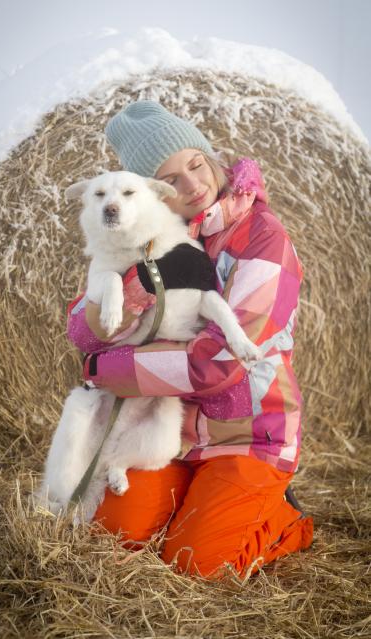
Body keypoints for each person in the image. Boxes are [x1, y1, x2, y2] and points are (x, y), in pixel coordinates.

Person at [66, 100, 314, 579]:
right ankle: (194, 511)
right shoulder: (150, 238)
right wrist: (133, 288)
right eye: (171, 180)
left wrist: (106, 371)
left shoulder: (264, 240)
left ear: (211, 158)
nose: (193, 185)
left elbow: (221, 363)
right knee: (112, 539)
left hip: (248, 437)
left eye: (196, 165)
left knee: (196, 563)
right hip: (172, 438)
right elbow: (82, 328)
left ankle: (287, 519)